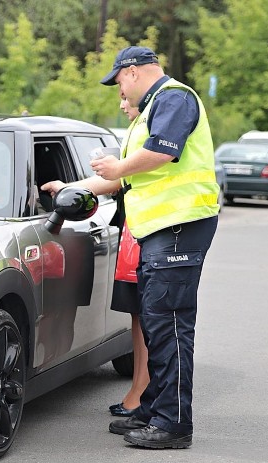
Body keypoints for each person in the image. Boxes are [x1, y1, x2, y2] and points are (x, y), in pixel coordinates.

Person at [41, 46, 220, 449]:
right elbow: (124, 181)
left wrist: (119, 166)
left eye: (119, 80)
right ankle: (154, 408)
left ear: (134, 72)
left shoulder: (174, 98)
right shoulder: (156, 106)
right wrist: (69, 190)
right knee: (157, 324)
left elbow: (162, 153)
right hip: (161, 230)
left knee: (169, 325)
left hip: (178, 227)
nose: (120, 89)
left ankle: (173, 425)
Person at [108, 92, 149, 418]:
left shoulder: (148, 130)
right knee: (137, 317)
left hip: (144, 233)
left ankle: (141, 391)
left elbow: (120, 179)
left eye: (124, 97)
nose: (122, 105)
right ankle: (138, 387)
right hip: (131, 233)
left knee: (146, 318)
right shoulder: (135, 132)